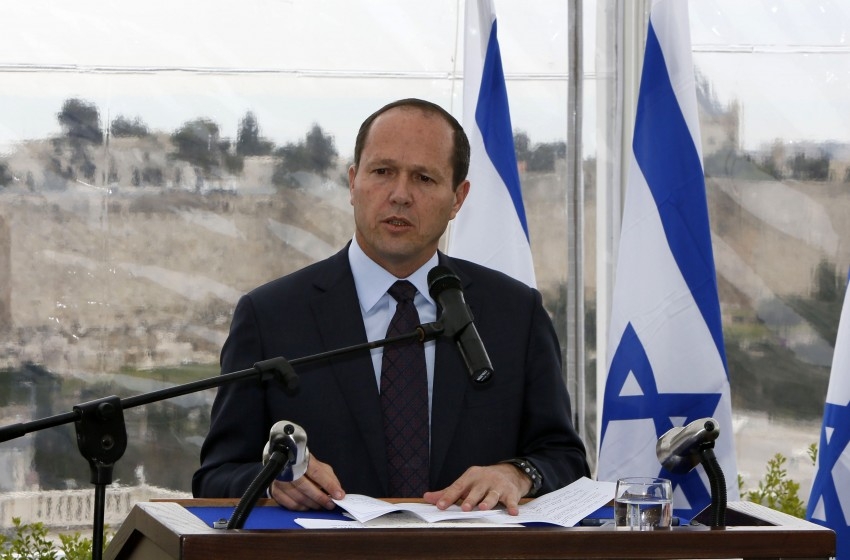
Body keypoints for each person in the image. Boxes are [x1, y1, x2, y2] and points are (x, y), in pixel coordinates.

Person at [192, 98, 589, 516]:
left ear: (458, 198)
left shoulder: (515, 313)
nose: (400, 195)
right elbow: (216, 475)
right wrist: (273, 481)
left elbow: (564, 459)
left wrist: (517, 474)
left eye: (424, 178)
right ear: (353, 182)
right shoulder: (270, 315)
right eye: (382, 172)